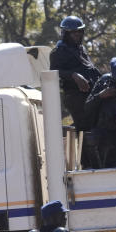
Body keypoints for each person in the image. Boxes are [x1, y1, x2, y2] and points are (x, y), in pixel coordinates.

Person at [49, 16, 102, 169]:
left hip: (91, 94)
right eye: (73, 33)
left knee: (98, 125)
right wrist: (74, 75)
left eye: (79, 32)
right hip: (75, 96)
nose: (77, 35)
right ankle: (87, 164)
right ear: (66, 34)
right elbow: (54, 72)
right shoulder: (58, 52)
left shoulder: (80, 49)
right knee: (84, 130)